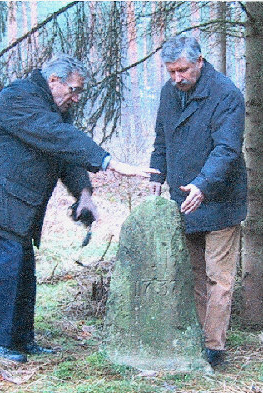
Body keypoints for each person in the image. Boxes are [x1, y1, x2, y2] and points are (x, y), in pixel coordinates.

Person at [0, 54, 158, 363]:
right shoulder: (19, 97)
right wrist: (109, 162)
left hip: (16, 203)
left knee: (23, 269)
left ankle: (21, 340)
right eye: (74, 90)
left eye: (80, 91)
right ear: (53, 81)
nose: (76, 98)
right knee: (9, 267)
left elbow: (64, 153)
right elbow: (58, 137)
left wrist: (85, 194)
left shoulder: (51, 108)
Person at [149, 37, 247, 367]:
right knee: (193, 275)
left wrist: (203, 185)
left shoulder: (227, 94)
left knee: (219, 278)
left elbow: (227, 150)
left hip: (220, 199)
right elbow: (161, 138)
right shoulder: (168, 92)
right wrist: (155, 176)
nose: (177, 77)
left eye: (183, 70)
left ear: (200, 61)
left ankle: (214, 349)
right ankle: (198, 340)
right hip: (182, 197)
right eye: (171, 71)